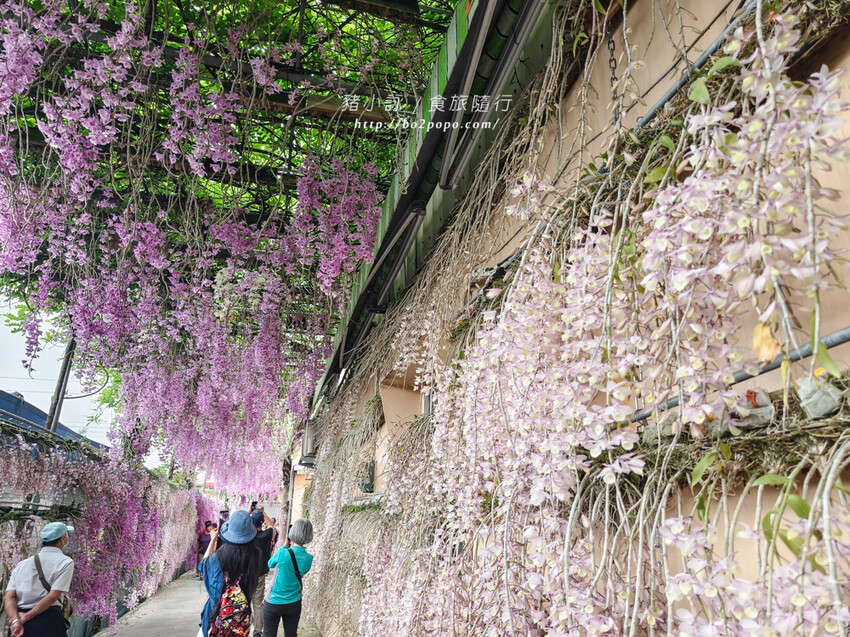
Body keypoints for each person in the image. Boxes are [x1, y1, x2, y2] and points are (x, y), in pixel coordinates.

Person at [3, 522, 75, 637]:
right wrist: (25, 617)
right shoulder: (65, 562)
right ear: (63, 538)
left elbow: (9, 596)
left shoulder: (22, 564)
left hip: (19, 621)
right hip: (47, 621)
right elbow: (53, 596)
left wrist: (16, 621)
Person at [198, 510, 261, 637]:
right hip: (239, 620)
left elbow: (203, 565)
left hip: (214, 619)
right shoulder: (256, 556)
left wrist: (213, 540)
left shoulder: (216, 558)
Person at [262, 519, 314, 637]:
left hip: (274, 601)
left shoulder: (283, 552)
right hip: (293, 602)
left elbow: (270, 564)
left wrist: (284, 546)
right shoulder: (309, 558)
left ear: (292, 533)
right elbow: (301, 572)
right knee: (291, 634)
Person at [250, 506, 275, 637]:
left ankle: (242, 626)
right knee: (258, 603)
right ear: (261, 523)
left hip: (246, 574)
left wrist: (250, 511)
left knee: (245, 601)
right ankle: (257, 632)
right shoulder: (266, 535)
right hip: (259, 574)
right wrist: (263, 511)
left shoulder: (246, 537)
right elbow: (271, 524)